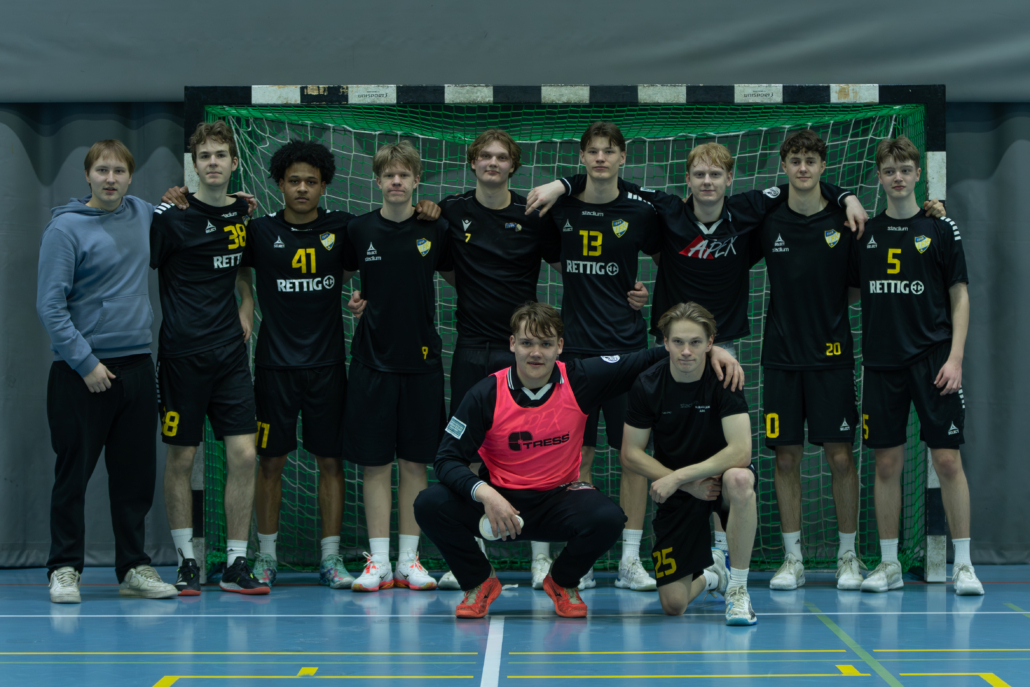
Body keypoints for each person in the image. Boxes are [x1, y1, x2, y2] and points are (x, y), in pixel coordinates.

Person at [528, 141, 866, 566]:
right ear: (686, 179)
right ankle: (653, 551)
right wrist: (562, 184)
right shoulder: (667, 209)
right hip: (671, 350)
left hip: (725, 350)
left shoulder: (747, 209)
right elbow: (609, 179)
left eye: (716, 174)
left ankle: (723, 554)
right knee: (663, 447)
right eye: (699, 175)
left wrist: (847, 197)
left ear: (730, 179)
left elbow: (798, 184)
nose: (707, 182)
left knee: (722, 452)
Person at [414, 302, 744, 618]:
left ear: (559, 346)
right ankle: (479, 581)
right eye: (527, 343)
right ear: (512, 344)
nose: (536, 352)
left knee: (609, 518)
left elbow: (646, 358)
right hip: (500, 505)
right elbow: (446, 459)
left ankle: (562, 580)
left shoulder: (580, 379)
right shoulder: (485, 394)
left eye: (545, 344)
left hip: (558, 501)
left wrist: (713, 351)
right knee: (429, 504)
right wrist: (486, 494)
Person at [347, 129, 563, 590]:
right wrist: (365, 299)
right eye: (485, 155)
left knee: (535, 450)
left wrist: (627, 291)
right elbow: (434, 268)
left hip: (524, 351)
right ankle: (472, 557)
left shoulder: (533, 213)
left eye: (501, 156)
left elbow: (571, 266)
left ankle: (541, 558)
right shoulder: (447, 213)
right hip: (470, 347)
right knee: (466, 454)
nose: (492, 162)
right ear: (472, 163)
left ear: (513, 165)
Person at [37, 139, 177, 603]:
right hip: (81, 375)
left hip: (137, 368)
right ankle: (64, 568)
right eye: (102, 170)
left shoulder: (142, 214)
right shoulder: (65, 229)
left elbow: (183, 208)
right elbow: (50, 306)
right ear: (88, 176)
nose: (111, 178)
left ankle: (134, 567)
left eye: (119, 171)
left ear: (131, 177)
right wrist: (87, 363)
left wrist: (234, 201)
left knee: (134, 478)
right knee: (72, 477)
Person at [530, 121, 662, 592]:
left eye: (609, 151)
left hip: (627, 350)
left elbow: (673, 258)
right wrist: (563, 184)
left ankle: (629, 559)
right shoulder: (560, 207)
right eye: (593, 151)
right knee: (575, 459)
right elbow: (555, 258)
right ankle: (577, 560)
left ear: (623, 157)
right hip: (577, 354)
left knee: (632, 457)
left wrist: (646, 296)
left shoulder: (641, 210)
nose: (601, 158)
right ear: (582, 157)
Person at [855, 136, 982, 595]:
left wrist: (956, 358)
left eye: (905, 170)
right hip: (882, 363)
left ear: (917, 175)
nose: (898, 177)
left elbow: (960, 295)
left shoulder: (941, 228)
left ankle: (963, 565)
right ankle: (889, 564)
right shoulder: (865, 232)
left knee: (947, 460)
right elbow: (850, 291)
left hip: (934, 361)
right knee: (887, 464)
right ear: (879, 177)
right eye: (889, 171)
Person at [152, 121, 266, 595]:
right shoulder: (171, 217)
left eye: (221, 155)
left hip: (230, 356)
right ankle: (186, 562)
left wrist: (246, 302)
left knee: (244, 454)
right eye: (205, 156)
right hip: (182, 356)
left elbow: (241, 270)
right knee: (182, 457)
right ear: (194, 165)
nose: (213, 162)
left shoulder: (242, 213)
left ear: (234, 163)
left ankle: (236, 564)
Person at [340, 141, 453, 592]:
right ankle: (379, 563)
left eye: (404, 174)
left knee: (414, 465)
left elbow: (456, 276)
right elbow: (343, 279)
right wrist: (354, 302)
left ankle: (409, 561)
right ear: (377, 180)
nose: (396, 181)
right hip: (372, 362)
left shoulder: (436, 227)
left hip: (422, 363)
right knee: (374, 465)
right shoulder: (358, 229)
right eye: (388, 174)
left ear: (416, 180)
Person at [755, 129, 863, 591]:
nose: (803, 168)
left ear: (823, 166)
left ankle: (848, 557)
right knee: (785, 459)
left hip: (832, 358)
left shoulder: (844, 220)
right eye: (795, 160)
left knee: (840, 456)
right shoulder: (767, 219)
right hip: (781, 358)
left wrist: (847, 196)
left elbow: (856, 289)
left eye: (810, 161)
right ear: (784, 167)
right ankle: (793, 559)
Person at [622, 302, 757, 624]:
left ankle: (738, 590)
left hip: (719, 480)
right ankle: (716, 575)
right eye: (678, 342)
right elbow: (630, 453)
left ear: (710, 343)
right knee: (674, 605)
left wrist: (681, 476)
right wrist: (684, 483)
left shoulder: (724, 377)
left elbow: (741, 452)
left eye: (695, 342)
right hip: (680, 490)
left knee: (740, 478)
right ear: (665, 343)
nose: (686, 351)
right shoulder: (648, 384)